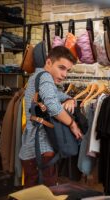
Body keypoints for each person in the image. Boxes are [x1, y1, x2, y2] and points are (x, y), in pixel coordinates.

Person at [19, 45, 83, 188]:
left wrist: (69, 99)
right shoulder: (46, 77)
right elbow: (54, 107)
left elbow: (56, 95)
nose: (65, 74)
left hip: (30, 148)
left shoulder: (36, 77)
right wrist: (72, 124)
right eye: (61, 68)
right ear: (48, 63)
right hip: (41, 148)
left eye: (67, 70)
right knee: (47, 192)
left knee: (31, 191)